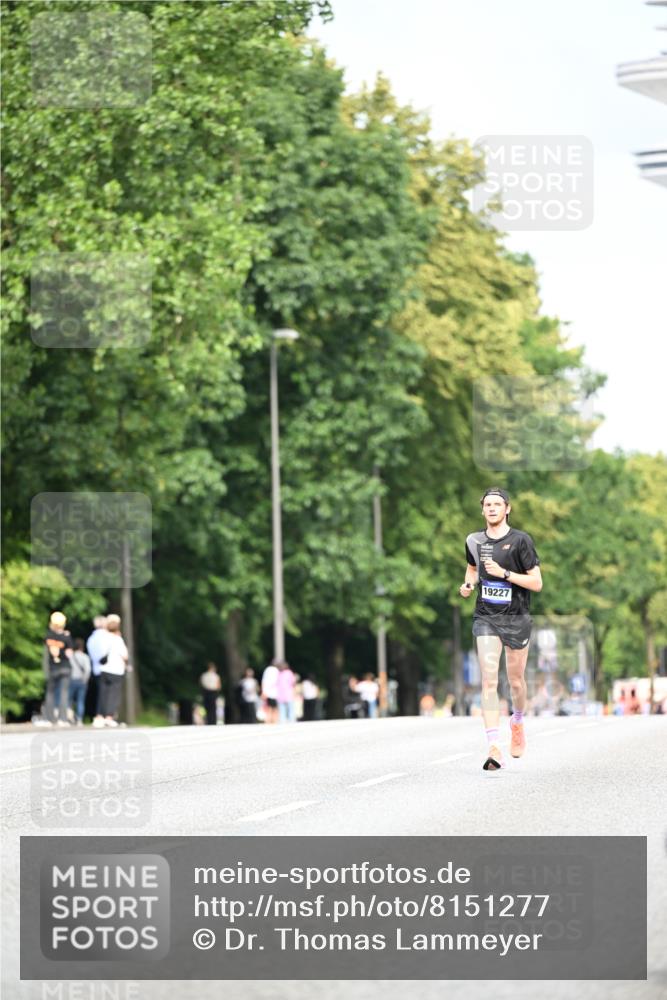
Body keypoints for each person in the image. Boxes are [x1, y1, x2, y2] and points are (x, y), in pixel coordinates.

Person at [460, 487, 542, 770]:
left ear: (507, 509)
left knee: (515, 681)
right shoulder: (473, 540)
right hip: (486, 618)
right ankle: (494, 746)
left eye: (498, 504)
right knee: (489, 680)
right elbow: (472, 569)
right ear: (482, 510)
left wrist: (505, 573)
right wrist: (469, 585)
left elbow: (537, 583)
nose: (492, 508)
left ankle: (517, 720)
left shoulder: (521, 541)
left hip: (517, 618)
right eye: (488, 504)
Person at [94, 614, 129, 728]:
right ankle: (109, 717)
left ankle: (99, 717)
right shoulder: (118, 639)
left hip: (104, 668)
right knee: (114, 694)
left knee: (102, 694)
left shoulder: (102, 638)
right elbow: (125, 655)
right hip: (116, 669)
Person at [43, 611, 74, 726]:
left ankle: (49, 719)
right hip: (65, 667)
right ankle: (63, 719)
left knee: (50, 692)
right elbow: (70, 653)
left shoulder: (48, 635)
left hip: (53, 668)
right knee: (64, 693)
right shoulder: (66, 636)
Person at [87, 615, 110, 720]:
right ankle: (104, 715)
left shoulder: (91, 638)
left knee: (100, 692)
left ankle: (99, 715)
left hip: (96, 668)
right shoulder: (106, 636)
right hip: (107, 667)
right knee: (107, 694)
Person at [68, 638, 92, 725]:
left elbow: (68, 669)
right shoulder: (85, 657)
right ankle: (79, 719)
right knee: (80, 701)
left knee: (69, 700)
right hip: (82, 681)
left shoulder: (71, 657)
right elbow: (88, 670)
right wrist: (85, 680)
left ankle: (69, 717)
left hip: (72, 680)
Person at [261, 660, 280, 724]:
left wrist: (263, 691)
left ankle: (268, 720)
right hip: (274, 692)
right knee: (274, 708)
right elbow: (278, 681)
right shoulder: (276, 670)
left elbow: (263, 681)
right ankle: (274, 720)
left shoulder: (267, 670)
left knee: (268, 707)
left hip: (267, 691)